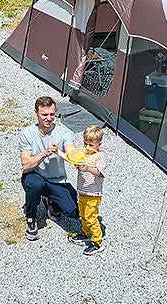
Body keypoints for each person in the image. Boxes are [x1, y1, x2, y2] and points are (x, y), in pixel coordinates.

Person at [18, 96, 79, 242]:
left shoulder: (64, 133)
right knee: (35, 184)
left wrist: (78, 157)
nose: (49, 118)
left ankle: (50, 201)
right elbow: (26, 165)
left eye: (52, 114)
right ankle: (31, 218)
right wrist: (44, 153)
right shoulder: (27, 133)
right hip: (35, 175)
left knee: (73, 212)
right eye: (44, 115)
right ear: (36, 113)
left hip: (57, 180)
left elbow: (72, 151)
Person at [69, 125, 110, 255]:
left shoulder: (100, 157)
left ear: (99, 144)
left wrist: (88, 168)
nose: (87, 147)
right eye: (85, 144)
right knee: (83, 215)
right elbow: (79, 166)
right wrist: (78, 165)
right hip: (83, 191)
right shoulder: (85, 154)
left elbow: (100, 173)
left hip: (93, 193)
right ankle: (86, 233)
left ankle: (97, 242)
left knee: (91, 217)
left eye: (91, 145)